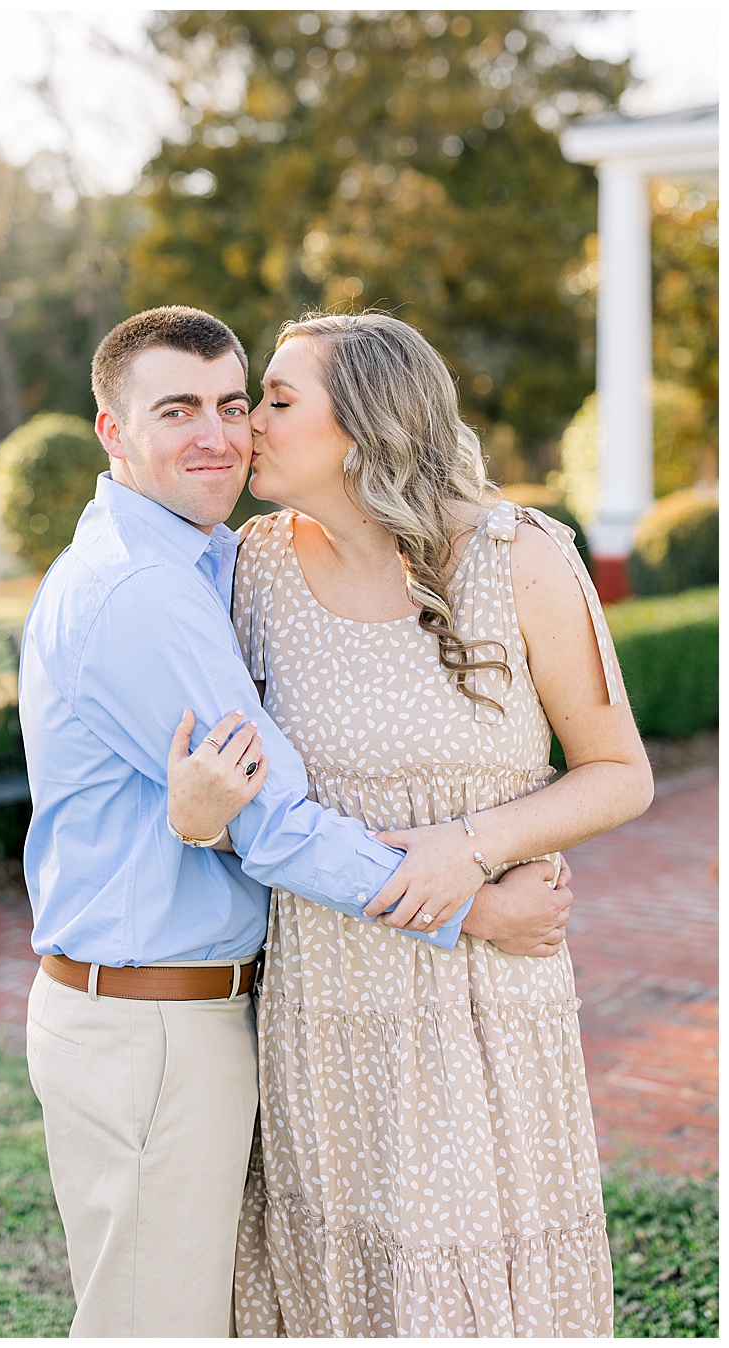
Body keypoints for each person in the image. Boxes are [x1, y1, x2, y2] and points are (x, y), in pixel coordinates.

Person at [17, 306, 576, 1337]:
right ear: (111, 431)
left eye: (238, 404)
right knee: (157, 1327)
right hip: (152, 1025)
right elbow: (275, 828)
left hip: (188, 1012)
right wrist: (475, 909)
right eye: (176, 409)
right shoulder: (146, 590)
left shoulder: (213, 561)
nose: (221, 434)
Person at [169, 312, 649, 1336]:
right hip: (325, 998)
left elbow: (619, 775)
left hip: (486, 1005)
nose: (249, 421)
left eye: (280, 400)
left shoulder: (519, 557)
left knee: (473, 1283)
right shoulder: (252, 566)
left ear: (368, 425)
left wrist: (472, 849)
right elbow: (240, 795)